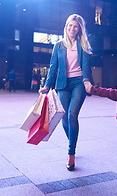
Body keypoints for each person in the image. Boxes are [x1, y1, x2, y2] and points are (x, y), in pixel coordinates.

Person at [39, 14, 93, 171]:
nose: (72, 28)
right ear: (66, 26)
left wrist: (87, 81)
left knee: (72, 115)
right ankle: (73, 141)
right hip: (63, 84)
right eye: (70, 25)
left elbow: (85, 66)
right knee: (63, 118)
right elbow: (53, 67)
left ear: (79, 29)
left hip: (79, 83)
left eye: (75, 26)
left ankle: (71, 153)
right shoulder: (59, 45)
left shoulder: (83, 45)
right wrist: (47, 86)